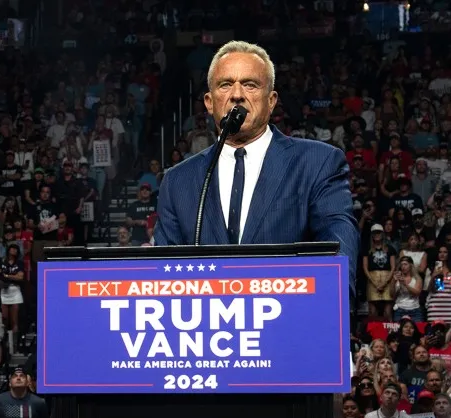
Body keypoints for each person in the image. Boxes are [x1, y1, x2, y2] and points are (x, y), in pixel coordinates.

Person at [153, 41, 359, 291]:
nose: (237, 94)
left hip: (289, 324)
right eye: (225, 84)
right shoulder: (177, 181)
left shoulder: (317, 163)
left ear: (271, 100)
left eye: (250, 84)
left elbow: (338, 258)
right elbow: (164, 280)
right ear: (209, 102)